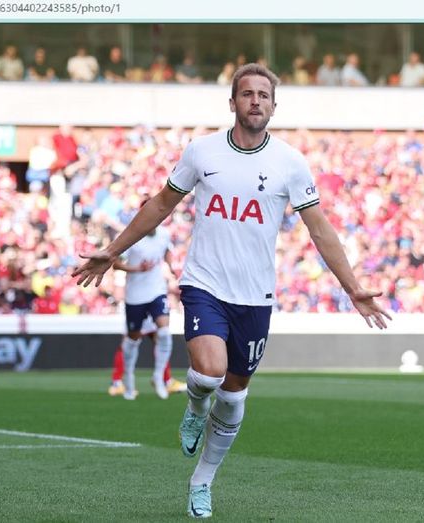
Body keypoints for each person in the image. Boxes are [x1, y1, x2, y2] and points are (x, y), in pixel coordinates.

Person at [72, 63, 390, 519]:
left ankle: (202, 480)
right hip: (205, 284)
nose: (255, 101)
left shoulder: (289, 163)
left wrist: (352, 286)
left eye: (264, 94)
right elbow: (162, 203)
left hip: (255, 296)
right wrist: (112, 249)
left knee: (235, 394)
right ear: (233, 103)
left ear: (274, 106)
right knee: (209, 371)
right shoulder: (202, 152)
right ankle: (194, 407)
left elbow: (318, 227)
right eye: (247, 94)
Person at [110, 213, 178, 400]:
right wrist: (136, 269)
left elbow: (166, 251)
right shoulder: (131, 237)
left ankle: (159, 377)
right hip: (135, 295)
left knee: (164, 332)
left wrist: (171, 268)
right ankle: (128, 378)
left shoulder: (164, 234)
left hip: (157, 290)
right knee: (132, 339)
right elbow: (115, 263)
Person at [108, 315, 187, 397]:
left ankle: (166, 381)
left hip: (151, 309)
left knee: (159, 341)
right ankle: (116, 383)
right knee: (128, 342)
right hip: (139, 306)